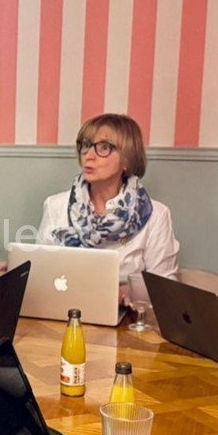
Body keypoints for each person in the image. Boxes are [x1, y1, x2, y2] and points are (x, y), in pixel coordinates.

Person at [38, 113, 179, 306]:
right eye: (86, 145)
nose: (89, 155)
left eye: (104, 147)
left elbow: (166, 287)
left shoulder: (155, 214)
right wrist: (25, 275)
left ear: (127, 159)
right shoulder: (56, 205)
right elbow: (42, 269)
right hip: (65, 312)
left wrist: (128, 291)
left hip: (126, 321)